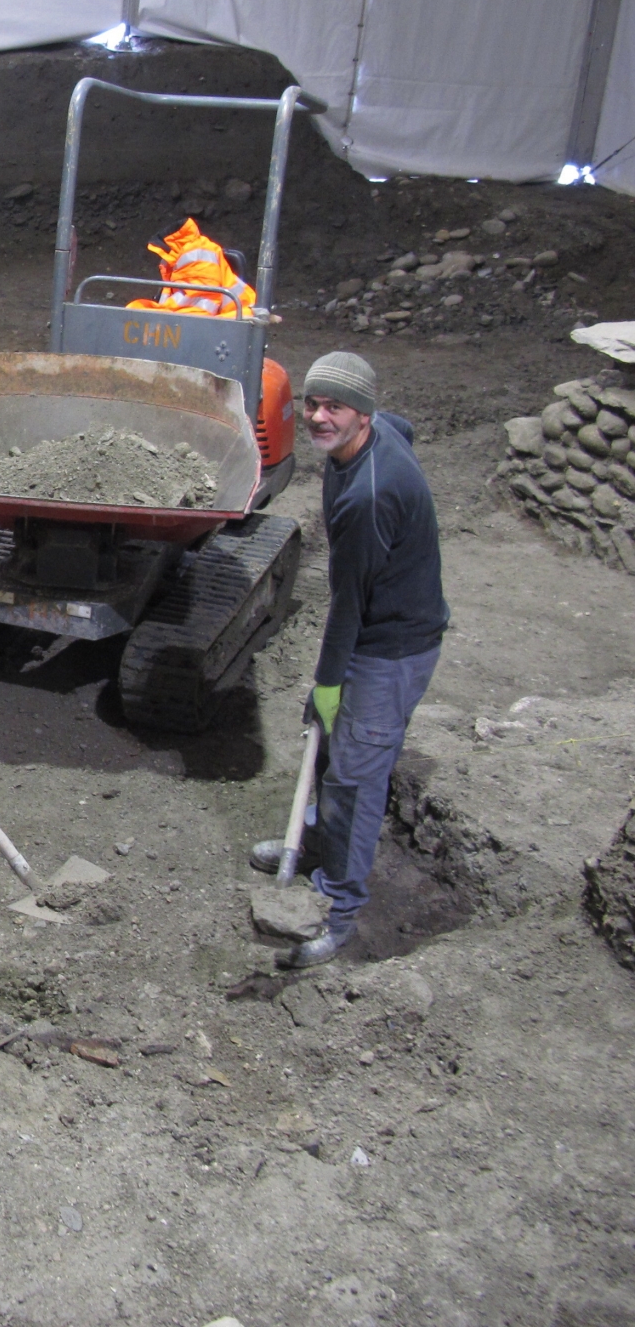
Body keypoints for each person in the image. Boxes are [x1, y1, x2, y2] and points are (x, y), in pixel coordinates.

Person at [250, 351, 448, 967]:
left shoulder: (366, 496)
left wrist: (327, 682)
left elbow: (349, 605)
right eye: (312, 403)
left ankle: (338, 909)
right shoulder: (377, 434)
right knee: (334, 754)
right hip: (382, 622)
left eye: (334, 406)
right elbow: (404, 430)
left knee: (356, 780)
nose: (317, 416)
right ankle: (312, 847)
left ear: (362, 414)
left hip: (391, 645)